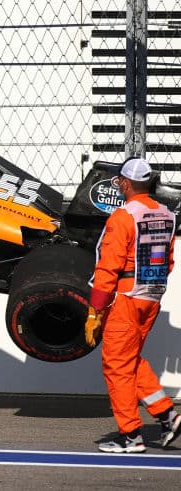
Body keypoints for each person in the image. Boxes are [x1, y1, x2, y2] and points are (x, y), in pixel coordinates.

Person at [86, 157, 181, 453]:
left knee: (116, 365)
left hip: (126, 298)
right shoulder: (167, 214)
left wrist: (95, 310)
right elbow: (168, 261)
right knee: (129, 360)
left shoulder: (123, 216)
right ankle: (167, 415)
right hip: (152, 297)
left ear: (125, 183)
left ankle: (131, 436)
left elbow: (108, 267)